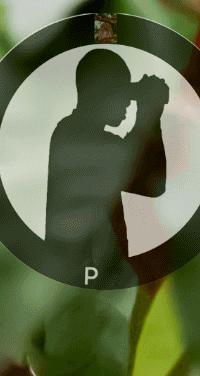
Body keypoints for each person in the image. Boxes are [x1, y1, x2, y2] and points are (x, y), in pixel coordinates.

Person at [43, 48, 171, 284]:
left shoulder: (74, 129)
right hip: (79, 266)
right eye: (122, 93)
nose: (126, 105)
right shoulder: (76, 134)